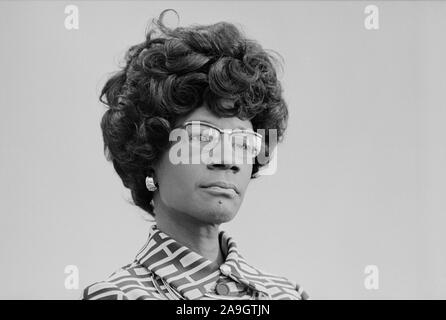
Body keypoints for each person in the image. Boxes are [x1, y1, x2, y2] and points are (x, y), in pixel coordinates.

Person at [82, 9, 309, 300]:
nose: (227, 160)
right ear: (149, 153)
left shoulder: (287, 295)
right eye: (202, 137)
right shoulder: (117, 296)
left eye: (242, 142)